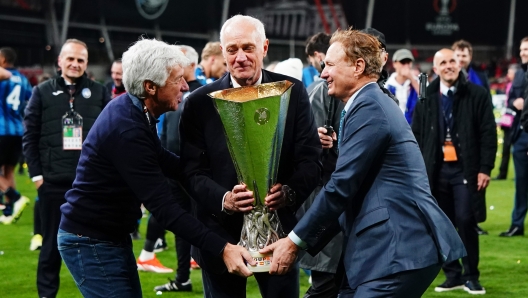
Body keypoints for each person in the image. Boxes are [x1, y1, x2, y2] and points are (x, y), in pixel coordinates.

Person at [261, 29, 466, 298]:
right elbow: (350, 192)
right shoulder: (366, 103)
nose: (323, 74)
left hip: (396, 250)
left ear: (358, 67)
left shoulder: (369, 107)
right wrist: (296, 240)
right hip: (384, 252)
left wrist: (294, 241)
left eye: (330, 65)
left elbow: (341, 186)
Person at [56, 38, 254, 297]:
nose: (185, 86)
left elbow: (166, 160)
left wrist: (220, 192)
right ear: (150, 87)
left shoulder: (133, 110)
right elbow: (165, 209)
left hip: (106, 236)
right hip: (91, 240)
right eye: (176, 80)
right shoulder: (128, 128)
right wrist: (223, 248)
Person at [179, 15, 321, 298]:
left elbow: (310, 160)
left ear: (264, 48)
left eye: (248, 47)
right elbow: (191, 172)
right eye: (232, 49)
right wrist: (225, 199)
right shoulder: (198, 103)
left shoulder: (293, 92)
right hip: (221, 238)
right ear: (222, 53)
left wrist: (290, 192)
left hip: (278, 239)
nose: (240, 57)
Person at [23, 39, 111, 298]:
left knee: (96, 244)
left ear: (86, 64)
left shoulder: (99, 92)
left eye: (80, 60)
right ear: (60, 61)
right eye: (70, 59)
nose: (75, 64)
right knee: (50, 246)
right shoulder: (41, 92)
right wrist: (38, 177)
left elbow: (108, 135)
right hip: (52, 183)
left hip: (89, 184)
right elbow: (30, 136)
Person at [411, 49, 497, 294]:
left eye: (452, 61)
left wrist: (485, 168)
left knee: (466, 220)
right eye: (443, 62)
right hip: (436, 171)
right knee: (442, 224)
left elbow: (488, 134)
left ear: (458, 64)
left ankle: (471, 275)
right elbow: (417, 134)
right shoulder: (426, 94)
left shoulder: (477, 95)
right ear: (435, 69)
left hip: (465, 170)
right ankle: (453, 274)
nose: (449, 65)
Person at [0, 47, 32, 225]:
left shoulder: (2, 76)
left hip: (1, 129)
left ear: (3, 60)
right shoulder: (24, 80)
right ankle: (9, 210)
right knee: (9, 170)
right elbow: (30, 101)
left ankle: (15, 197)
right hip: (18, 129)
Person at [501, 37, 528, 237]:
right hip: (520, 135)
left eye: (526, 49)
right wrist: (514, 103)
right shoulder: (519, 74)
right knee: (521, 183)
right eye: (521, 49)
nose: (523, 52)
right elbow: (510, 101)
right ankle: (517, 224)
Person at [495, 64, 519, 180]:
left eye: (510, 72)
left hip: (515, 121)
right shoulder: (510, 85)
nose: (508, 75)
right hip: (508, 120)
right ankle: (502, 173)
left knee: (514, 149)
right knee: (506, 148)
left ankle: (517, 173)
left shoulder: (517, 86)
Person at [385, 49, 420, 123]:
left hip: (414, 127)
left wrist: (412, 79)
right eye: (403, 62)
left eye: (408, 62)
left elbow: (427, 99)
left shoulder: (419, 82)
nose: (406, 66)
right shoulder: (387, 85)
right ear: (394, 64)